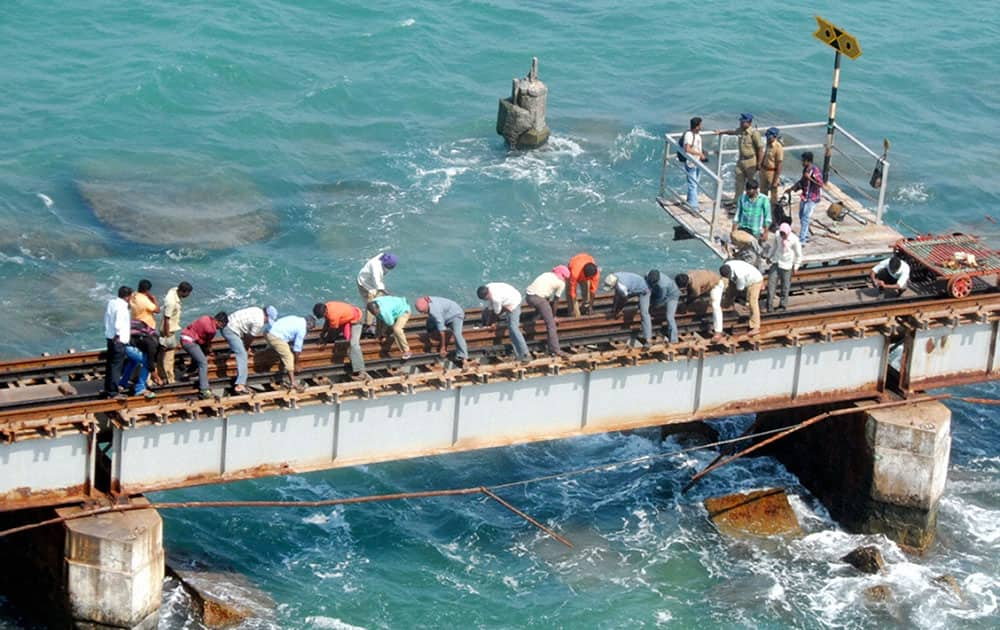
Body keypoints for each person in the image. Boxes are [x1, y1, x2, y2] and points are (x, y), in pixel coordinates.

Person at [222, 305, 277, 394]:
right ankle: (240, 385)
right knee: (242, 354)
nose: (266, 322)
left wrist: (246, 345)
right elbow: (250, 337)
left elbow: (246, 329)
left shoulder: (256, 309)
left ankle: (235, 351)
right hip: (230, 330)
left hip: (227, 323)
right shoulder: (259, 322)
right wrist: (246, 348)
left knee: (240, 347)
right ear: (266, 316)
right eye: (268, 320)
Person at [717, 113, 763, 206]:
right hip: (741, 160)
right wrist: (721, 132)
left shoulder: (754, 134)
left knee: (751, 184)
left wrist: (759, 163)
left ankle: (753, 203)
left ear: (749, 122)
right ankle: (737, 202)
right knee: (739, 182)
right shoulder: (741, 131)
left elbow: (760, 149)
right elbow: (732, 132)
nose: (741, 123)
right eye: (741, 121)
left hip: (751, 161)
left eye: (743, 122)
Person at [525, 265, 571, 358]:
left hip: (528, 297)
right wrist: (553, 316)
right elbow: (556, 301)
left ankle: (531, 323)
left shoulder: (546, 274)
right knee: (551, 325)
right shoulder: (561, 283)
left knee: (542, 307)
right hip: (539, 299)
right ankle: (555, 349)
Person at [313, 301, 368, 380]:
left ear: (325, 312)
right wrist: (322, 335)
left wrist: (326, 340)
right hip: (345, 319)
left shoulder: (333, 315)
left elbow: (332, 330)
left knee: (353, 345)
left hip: (356, 319)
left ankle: (361, 372)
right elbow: (327, 322)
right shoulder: (327, 307)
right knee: (333, 337)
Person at [180, 311, 228, 399]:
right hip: (189, 342)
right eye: (222, 326)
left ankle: (189, 373)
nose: (220, 328)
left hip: (183, 336)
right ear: (219, 322)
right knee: (203, 363)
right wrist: (210, 351)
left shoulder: (206, 317)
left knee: (199, 354)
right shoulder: (212, 330)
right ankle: (204, 389)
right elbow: (206, 343)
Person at [477, 282, 530, 361]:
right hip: (506, 297)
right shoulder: (488, 287)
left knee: (513, 327)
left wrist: (492, 323)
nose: (486, 300)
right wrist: (488, 322)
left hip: (514, 302)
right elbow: (491, 309)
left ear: (487, 294)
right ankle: (517, 353)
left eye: (486, 299)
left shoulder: (496, 299)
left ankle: (525, 353)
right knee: (486, 312)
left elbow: (496, 313)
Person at [783, 151, 824, 245]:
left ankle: (802, 240)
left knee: (805, 217)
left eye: (803, 161)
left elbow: (821, 184)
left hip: (812, 198)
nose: (802, 162)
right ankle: (805, 235)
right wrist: (791, 189)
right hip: (805, 196)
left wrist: (810, 178)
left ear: (808, 161)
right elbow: (801, 182)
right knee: (801, 216)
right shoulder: (805, 170)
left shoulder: (815, 171)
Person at [266, 314, 315, 391]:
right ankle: (293, 383)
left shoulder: (296, 318)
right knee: (289, 356)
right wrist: (296, 364)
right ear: (308, 325)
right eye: (309, 329)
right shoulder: (302, 328)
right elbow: (297, 348)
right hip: (275, 336)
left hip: (267, 331)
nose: (308, 331)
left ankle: (264, 353)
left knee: (280, 349)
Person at [415, 296, 469, 366]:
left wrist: (443, 347)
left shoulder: (435, 311)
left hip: (456, 314)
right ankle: (434, 341)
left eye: (423, 311)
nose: (422, 313)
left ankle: (463, 357)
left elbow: (442, 331)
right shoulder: (426, 300)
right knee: (429, 323)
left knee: (457, 334)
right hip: (445, 314)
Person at [604, 272, 653, 344]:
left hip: (644, 290)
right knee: (617, 296)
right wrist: (614, 309)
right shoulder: (614, 276)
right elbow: (617, 296)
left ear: (614, 284)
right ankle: (614, 309)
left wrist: (619, 310)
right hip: (634, 284)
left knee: (644, 313)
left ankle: (648, 338)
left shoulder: (622, 287)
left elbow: (624, 300)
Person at [158, 281, 192, 384]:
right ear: (183, 292)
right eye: (187, 294)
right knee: (169, 357)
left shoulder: (173, 291)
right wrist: (168, 336)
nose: (188, 296)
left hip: (167, 328)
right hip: (168, 330)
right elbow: (167, 318)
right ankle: (169, 379)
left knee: (161, 354)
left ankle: (162, 374)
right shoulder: (172, 302)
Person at [103, 286, 133, 400]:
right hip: (118, 340)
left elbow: (107, 318)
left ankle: (108, 388)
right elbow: (118, 324)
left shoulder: (112, 303)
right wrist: (118, 335)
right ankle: (113, 392)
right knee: (116, 366)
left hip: (110, 337)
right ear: (127, 296)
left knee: (110, 364)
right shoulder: (122, 308)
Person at [675, 270, 725, 339]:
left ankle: (718, 331)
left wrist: (686, 304)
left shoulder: (695, 285)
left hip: (716, 284)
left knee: (715, 306)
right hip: (708, 278)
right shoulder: (688, 275)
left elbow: (694, 296)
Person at [764, 223, 803, 311]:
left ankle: (782, 305)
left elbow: (799, 255)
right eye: (781, 234)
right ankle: (769, 305)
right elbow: (774, 247)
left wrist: (796, 266)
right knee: (771, 285)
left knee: (785, 286)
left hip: (787, 265)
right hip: (776, 262)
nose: (782, 236)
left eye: (784, 234)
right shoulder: (777, 235)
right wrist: (769, 256)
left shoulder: (794, 240)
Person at [720, 261, 764, 336]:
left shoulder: (739, 275)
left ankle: (755, 326)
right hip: (742, 278)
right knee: (729, 293)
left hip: (754, 281)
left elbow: (740, 288)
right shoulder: (726, 266)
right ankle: (724, 308)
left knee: (752, 302)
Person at [357, 252, 398, 329]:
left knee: (380, 301)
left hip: (372, 282)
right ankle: (368, 325)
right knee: (371, 304)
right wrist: (389, 295)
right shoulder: (376, 268)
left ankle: (377, 318)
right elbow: (379, 285)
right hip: (366, 285)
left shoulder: (384, 257)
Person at [120, 318, 158, 399]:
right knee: (146, 362)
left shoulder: (147, 333)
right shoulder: (152, 344)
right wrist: (156, 377)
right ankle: (140, 389)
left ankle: (122, 383)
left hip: (121, 340)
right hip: (128, 344)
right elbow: (150, 365)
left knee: (133, 361)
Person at [732, 179, 771, 254]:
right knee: (742, 251)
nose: (748, 192)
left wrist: (766, 232)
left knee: (754, 252)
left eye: (751, 190)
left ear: (756, 190)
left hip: (756, 231)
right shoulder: (742, 198)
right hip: (743, 228)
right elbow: (737, 214)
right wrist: (734, 230)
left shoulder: (763, 199)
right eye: (747, 190)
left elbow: (767, 218)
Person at [681, 117, 709, 208]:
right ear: (697, 126)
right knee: (693, 184)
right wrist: (700, 154)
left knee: (695, 183)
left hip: (697, 162)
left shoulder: (697, 135)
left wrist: (701, 154)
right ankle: (694, 207)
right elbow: (687, 149)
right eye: (700, 125)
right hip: (691, 163)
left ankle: (690, 201)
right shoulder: (689, 135)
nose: (701, 127)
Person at [646, 269, 681, 343]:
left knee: (670, 317)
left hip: (672, 296)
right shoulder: (648, 274)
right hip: (658, 291)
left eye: (654, 282)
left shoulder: (663, 285)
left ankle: (674, 340)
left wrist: (654, 305)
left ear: (657, 280)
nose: (652, 283)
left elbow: (661, 298)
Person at [567, 252, 600, 317]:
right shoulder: (574, 273)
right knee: (570, 297)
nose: (590, 279)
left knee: (587, 295)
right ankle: (572, 313)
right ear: (584, 274)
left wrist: (590, 306)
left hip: (585, 261)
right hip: (573, 267)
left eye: (591, 278)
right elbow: (572, 293)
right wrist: (575, 310)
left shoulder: (595, 274)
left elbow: (593, 291)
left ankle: (584, 309)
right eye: (588, 277)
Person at [759, 127, 784, 207]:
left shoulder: (778, 147)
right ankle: (763, 207)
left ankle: (774, 209)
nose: (767, 138)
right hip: (764, 170)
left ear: (775, 136)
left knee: (773, 193)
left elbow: (779, 165)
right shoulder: (768, 144)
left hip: (772, 172)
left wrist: (776, 180)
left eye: (769, 136)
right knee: (762, 192)